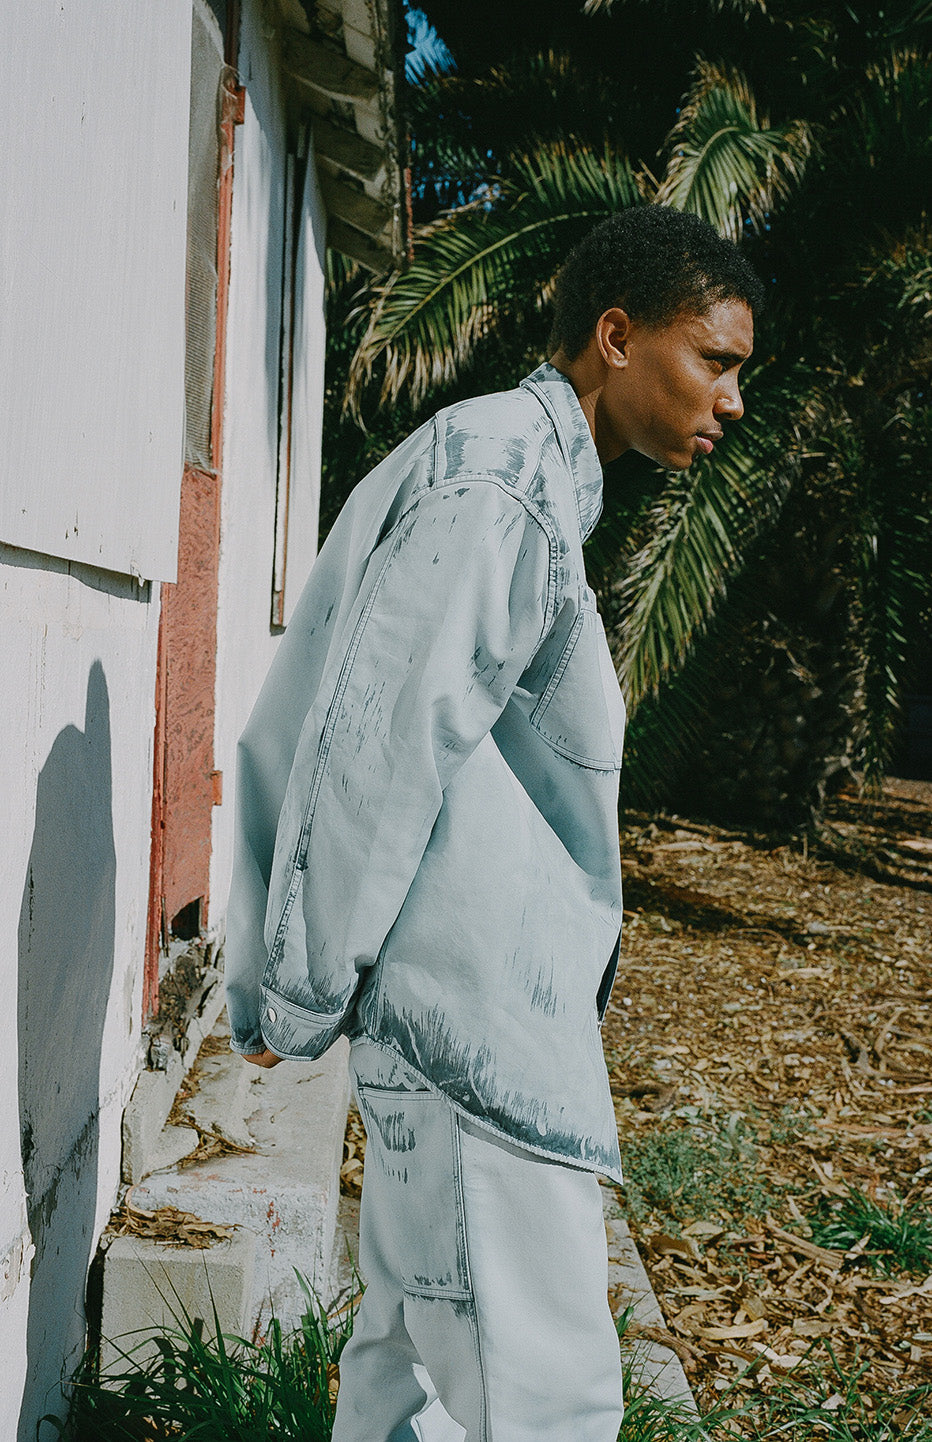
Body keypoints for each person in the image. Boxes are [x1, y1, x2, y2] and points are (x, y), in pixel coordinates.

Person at [224, 205, 763, 1441]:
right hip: (472, 1039)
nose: (731, 400)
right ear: (616, 336)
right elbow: (381, 743)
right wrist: (300, 988)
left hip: (457, 1021)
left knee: (403, 1380)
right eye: (714, 359)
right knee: (544, 1402)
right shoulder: (501, 480)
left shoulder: (513, 472)